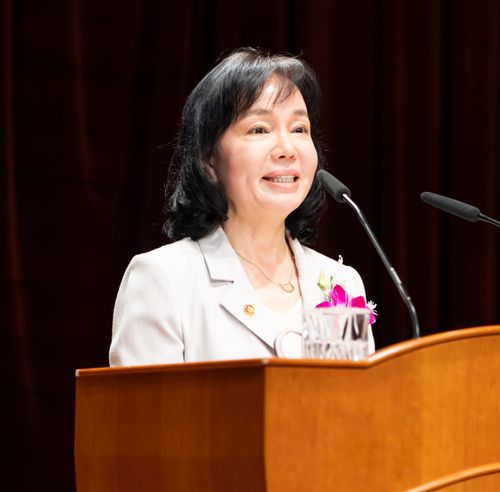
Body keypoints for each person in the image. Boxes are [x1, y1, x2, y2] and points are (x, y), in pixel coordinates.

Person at [109, 48, 374, 366]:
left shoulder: (339, 282)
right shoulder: (164, 279)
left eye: (299, 129)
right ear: (209, 159)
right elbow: (151, 401)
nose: (287, 148)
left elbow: (353, 397)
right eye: (259, 129)